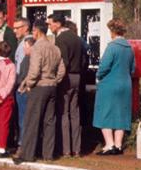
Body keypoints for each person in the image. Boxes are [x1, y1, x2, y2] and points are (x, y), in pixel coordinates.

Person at [14, 20, 66, 164]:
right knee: (49, 122)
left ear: (37, 31)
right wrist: (55, 80)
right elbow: (62, 69)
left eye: (33, 31)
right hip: (52, 87)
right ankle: (48, 154)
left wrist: (28, 84)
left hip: (39, 87)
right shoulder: (54, 47)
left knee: (32, 120)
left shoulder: (37, 48)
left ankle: (28, 154)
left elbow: (34, 70)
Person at [93, 18, 135, 155]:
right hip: (125, 84)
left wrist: (98, 76)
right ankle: (118, 145)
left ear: (113, 31)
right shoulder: (129, 48)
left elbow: (104, 67)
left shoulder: (112, 47)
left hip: (109, 85)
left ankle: (109, 144)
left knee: (104, 113)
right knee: (121, 113)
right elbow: (132, 68)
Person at [49, 12, 84, 157]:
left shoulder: (61, 39)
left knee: (64, 113)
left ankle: (66, 149)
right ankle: (77, 149)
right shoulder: (77, 38)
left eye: (50, 23)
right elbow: (82, 60)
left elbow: (63, 62)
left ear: (57, 24)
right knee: (75, 114)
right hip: (77, 76)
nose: (49, 26)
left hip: (66, 77)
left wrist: (57, 78)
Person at [11, 16, 31, 146]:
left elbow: (25, 66)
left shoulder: (27, 43)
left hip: (22, 85)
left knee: (23, 117)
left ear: (26, 28)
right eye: (14, 28)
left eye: (17, 28)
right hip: (20, 83)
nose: (14, 30)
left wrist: (21, 84)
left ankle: (23, 144)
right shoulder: (22, 42)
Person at [14, 36, 35, 156]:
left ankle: (22, 145)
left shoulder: (29, 59)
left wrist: (22, 86)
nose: (24, 49)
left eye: (26, 47)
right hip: (24, 90)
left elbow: (27, 75)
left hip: (24, 91)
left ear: (32, 47)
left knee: (23, 120)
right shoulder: (28, 58)